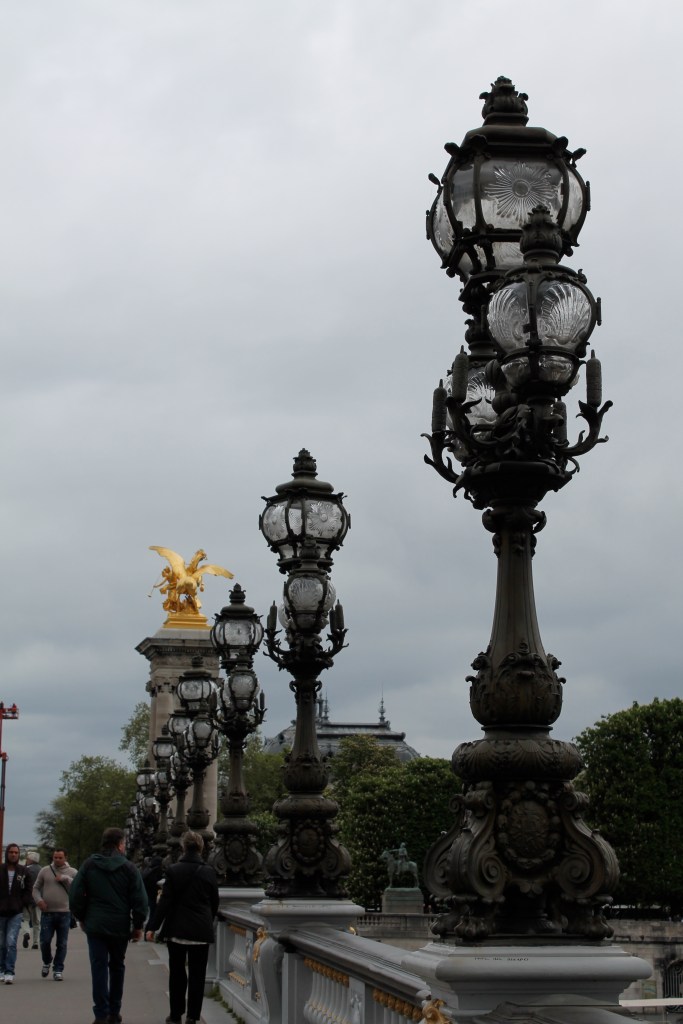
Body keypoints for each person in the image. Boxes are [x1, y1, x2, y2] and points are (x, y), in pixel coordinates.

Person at [70, 827, 148, 1024]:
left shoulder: (89, 865)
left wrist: (81, 917)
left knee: (98, 967)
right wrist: (138, 925)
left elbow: (75, 894)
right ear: (120, 844)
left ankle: (100, 1013)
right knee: (117, 967)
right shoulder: (129, 868)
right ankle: (114, 1011)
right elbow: (140, 900)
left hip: (95, 925)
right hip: (120, 925)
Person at [146, 831, 218, 1024]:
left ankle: (176, 1014)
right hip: (201, 930)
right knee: (198, 975)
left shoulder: (174, 870)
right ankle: (193, 1017)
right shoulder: (209, 871)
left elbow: (165, 902)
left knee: (177, 974)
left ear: (183, 847)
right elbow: (214, 902)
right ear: (202, 848)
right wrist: (206, 921)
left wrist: (152, 927)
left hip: (177, 929)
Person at [33, 847, 77, 980]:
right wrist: (39, 900)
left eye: (60, 857)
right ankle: (47, 961)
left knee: (62, 943)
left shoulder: (73, 872)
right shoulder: (45, 871)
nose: (57, 860)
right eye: (55, 857)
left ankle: (58, 969)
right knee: (45, 941)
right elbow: (35, 888)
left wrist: (66, 878)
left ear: (66, 858)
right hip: (47, 913)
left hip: (65, 913)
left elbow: (80, 887)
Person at [0, 842, 33, 984]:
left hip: (16, 912)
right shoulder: (1, 869)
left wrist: (21, 903)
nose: (13, 855)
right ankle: (1, 969)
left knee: (11, 941)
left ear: (19, 855)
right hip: (1, 912)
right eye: (11, 852)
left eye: (16, 853)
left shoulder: (23, 871)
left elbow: (28, 889)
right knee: (1, 943)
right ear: (7, 853)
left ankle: (9, 971)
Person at [21, 851, 42, 949]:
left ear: (30, 860)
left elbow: (21, 885)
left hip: (26, 899)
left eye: (27, 859)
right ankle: (36, 942)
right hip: (38, 899)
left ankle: (26, 932)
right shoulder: (42, 870)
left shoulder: (25, 870)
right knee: (37, 922)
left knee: (25, 919)